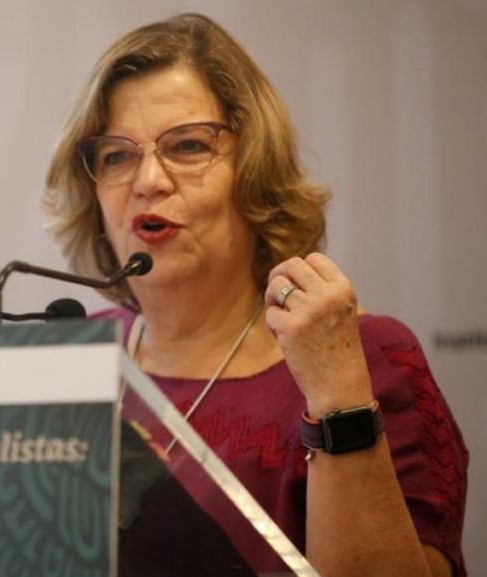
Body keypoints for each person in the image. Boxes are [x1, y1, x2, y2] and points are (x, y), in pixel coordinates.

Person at [43, 13, 467, 577]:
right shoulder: (68, 360)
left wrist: (335, 395)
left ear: (254, 171)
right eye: (117, 155)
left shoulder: (362, 357)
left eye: (187, 146)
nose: (148, 181)